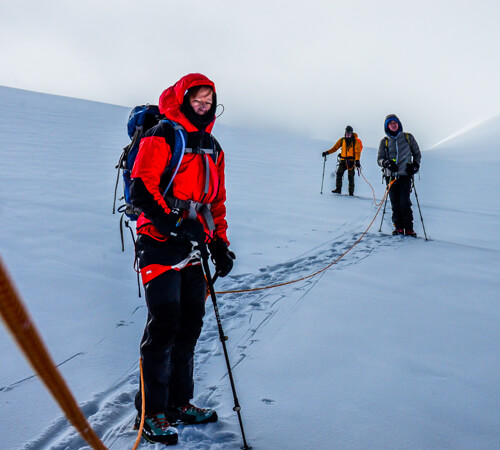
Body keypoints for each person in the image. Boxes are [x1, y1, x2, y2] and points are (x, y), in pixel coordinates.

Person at [129, 73, 235, 445]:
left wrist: (219, 243)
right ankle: (150, 413)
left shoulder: (213, 147)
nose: (203, 107)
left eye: (209, 101)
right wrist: (176, 224)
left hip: (193, 247)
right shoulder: (162, 134)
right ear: (184, 98)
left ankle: (178, 403)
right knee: (164, 324)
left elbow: (215, 203)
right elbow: (142, 189)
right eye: (198, 100)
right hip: (158, 242)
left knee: (190, 322)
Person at [377, 114, 421, 237]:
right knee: (395, 203)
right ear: (387, 126)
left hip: (405, 175)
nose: (393, 125)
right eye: (390, 123)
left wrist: (415, 165)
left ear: (399, 124)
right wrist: (386, 163)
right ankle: (398, 227)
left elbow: (417, 153)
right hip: (390, 177)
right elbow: (379, 159)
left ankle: (409, 228)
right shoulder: (384, 142)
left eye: (395, 122)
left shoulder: (408, 137)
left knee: (404, 202)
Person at [322, 125, 363, 196]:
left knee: (351, 177)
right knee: (339, 173)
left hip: (351, 162)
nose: (348, 135)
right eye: (347, 133)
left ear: (351, 133)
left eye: (349, 134)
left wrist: (357, 161)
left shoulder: (355, 142)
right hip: (343, 160)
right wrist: (327, 152)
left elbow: (357, 152)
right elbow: (335, 148)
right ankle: (338, 189)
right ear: (345, 133)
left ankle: (351, 192)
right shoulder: (342, 140)